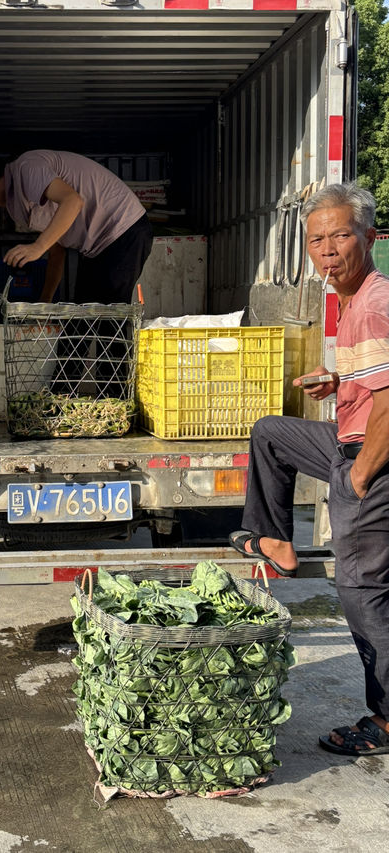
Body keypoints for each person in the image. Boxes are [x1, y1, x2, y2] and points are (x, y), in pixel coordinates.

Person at [229, 182, 389, 757]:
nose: (327, 249)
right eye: (316, 239)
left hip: (372, 461)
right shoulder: (353, 299)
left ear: (369, 237)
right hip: (348, 441)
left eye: (340, 235)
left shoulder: (372, 306)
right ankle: (275, 540)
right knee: (272, 433)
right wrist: (338, 382)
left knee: (363, 592)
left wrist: (358, 478)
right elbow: (374, 386)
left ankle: (388, 719)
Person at [0, 150, 154, 397]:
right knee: (78, 320)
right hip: (97, 246)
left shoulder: (27, 168)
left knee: (110, 321)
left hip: (123, 230)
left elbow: (73, 201)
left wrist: (36, 247)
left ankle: (116, 405)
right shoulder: (21, 202)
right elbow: (57, 251)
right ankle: (59, 400)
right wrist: (44, 303)